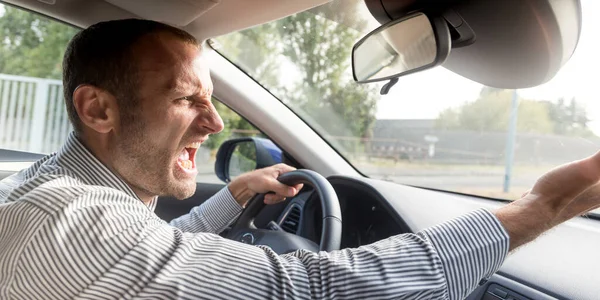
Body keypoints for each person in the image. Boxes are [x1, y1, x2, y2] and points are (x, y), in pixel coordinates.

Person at [0, 19, 599, 300]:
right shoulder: (66, 224)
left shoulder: (54, 193)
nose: (214, 123)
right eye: (187, 100)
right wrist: (542, 206)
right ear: (97, 110)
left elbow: (144, 257)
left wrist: (234, 198)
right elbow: (312, 290)